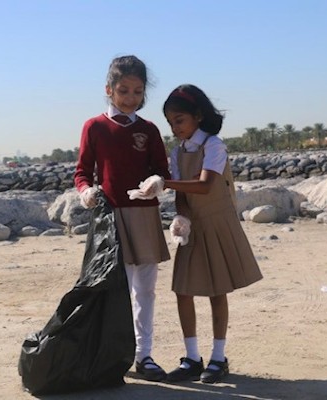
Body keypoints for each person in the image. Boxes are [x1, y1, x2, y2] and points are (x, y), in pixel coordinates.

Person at [74, 55, 171, 382]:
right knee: (113, 292)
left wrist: (157, 182)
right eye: (124, 90)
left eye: (138, 91)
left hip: (145, 216)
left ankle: (144, 356)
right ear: (109, 90)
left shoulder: (150, 129)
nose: (131, 98)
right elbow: (82, 172)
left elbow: (162, 169)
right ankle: (115, 357)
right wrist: (86, 192)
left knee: (145, 291)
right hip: (110, 220)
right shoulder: (95, 127)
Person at [157, 84, 263, 384]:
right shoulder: (178, 153)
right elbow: (181, 190)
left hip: (216, 222)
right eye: (170, 123)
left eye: (179, 120)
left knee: (217, 290)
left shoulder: (213, 146)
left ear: (198, 116)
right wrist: (180, 215)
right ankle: (192, 357)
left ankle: (218, 358)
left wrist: (164, 183)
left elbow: (204, 185)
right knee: (183, 290)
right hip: (193, 225)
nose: (175, 128)